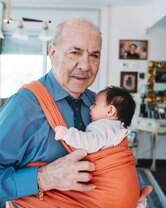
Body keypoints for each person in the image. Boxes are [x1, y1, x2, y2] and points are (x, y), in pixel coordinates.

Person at [0, 18, 152, 207]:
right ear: (53, 53)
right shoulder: (23, 105)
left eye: (94, 55)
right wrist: (43, 177)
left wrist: (127, 192)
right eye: (75, 52)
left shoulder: (98, 104)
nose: (86, 66)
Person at [55, 86, 135, 154]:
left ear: (110, 111)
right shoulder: (116, 128)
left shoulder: (103, 126)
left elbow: (90, 143)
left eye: (95, 104)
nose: (90, 107)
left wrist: (67, 134)